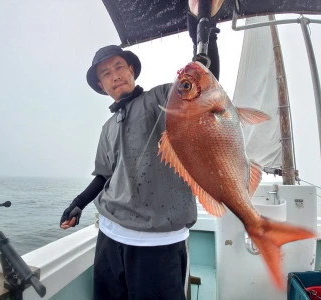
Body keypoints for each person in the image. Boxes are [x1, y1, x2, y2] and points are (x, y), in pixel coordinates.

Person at [60, 19, 219, 300]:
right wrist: (79, 203)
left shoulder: (159, 98)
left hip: (159, 242)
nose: (115, 75)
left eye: (119, 67)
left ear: (131, 70)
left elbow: (200, 85)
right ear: (101, 84)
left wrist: (206, 39)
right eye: (106, 73)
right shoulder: (107, 127)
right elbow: (104, 175)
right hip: (109, 236)